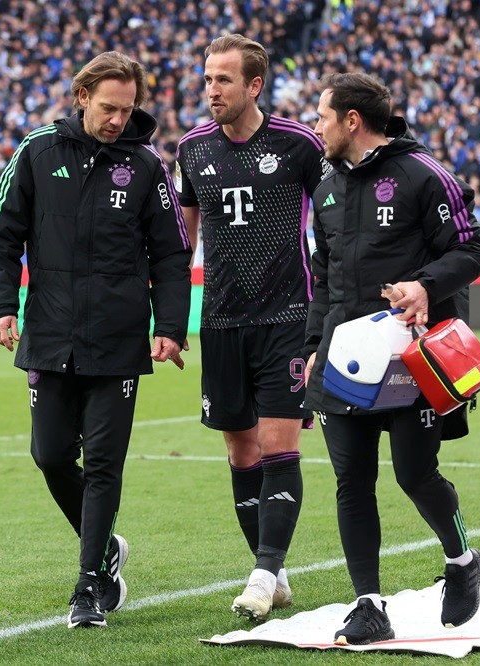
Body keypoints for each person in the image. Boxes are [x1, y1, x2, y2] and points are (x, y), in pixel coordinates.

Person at [0, 51, 192, 630]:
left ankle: (90, 586)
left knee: (102, 463)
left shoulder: (147, 166)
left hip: (119, 341)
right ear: (81, 97)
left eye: (126, 109)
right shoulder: (37, 151)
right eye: (108, 108)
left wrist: (170, 327)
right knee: (49, 456)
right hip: (50, 334)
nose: (118, 119)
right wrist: (0, 308)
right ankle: (106, 550)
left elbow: (172, 253)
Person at [305, 72, 480, 645]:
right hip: (344, 360)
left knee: (414, 474)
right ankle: (368, 606)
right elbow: (323, 277)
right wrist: (315, 346)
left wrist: (425, 286)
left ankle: (462, 561)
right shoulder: (326, 187)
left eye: (322, 116)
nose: (317, 126)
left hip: (412, 362)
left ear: (351, 121)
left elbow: (470, 248)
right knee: (351, 482)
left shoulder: (423, 174)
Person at [174, 34, 326, 621]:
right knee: (240, 450)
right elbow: (181, 244)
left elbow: (335, 220)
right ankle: (277, 571)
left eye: (223, 79)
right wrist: (169, 317)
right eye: (208, 78)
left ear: (254, 84)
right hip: (221, 320)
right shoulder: (191, 150)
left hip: (289, 316)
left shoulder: (299, 145)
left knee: (278, 443)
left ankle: (262, 575)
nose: (212, 89)